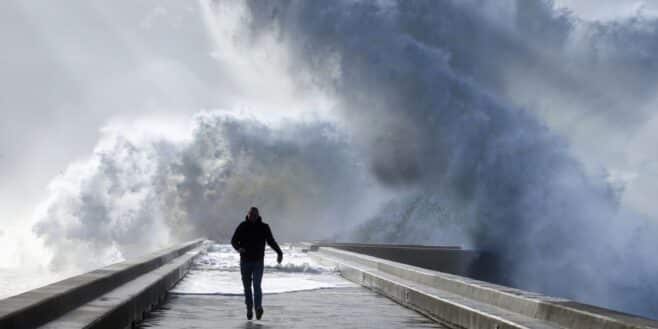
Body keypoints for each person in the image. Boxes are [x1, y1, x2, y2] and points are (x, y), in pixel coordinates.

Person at [231, 206, 283, 320]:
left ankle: (258, 307)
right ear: (248, 215)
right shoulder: (242, 226)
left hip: (258, 262)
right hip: (245, 261)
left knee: (257, 285)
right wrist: (238, 248)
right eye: (251, 215)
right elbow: (233, 240)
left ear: (258, 215)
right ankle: (249, 308)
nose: (253, 217)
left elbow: (271, 241)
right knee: (247, 287)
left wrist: (279, 252)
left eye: (255, 215)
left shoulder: (264, 227)